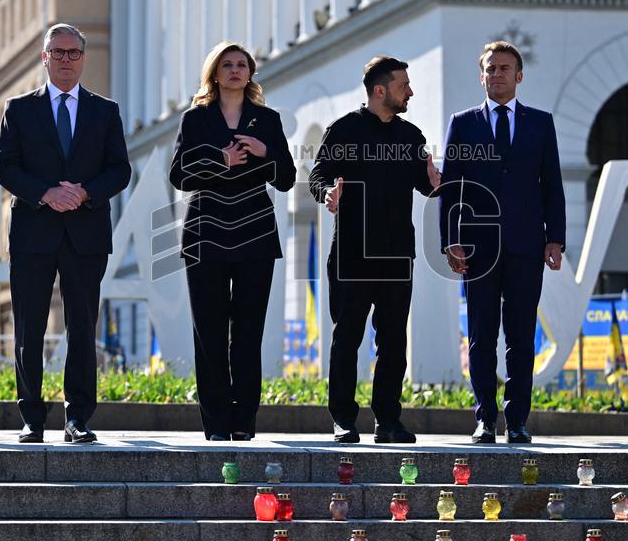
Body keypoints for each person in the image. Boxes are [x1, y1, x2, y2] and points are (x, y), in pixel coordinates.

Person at [0, 23, 131, 443]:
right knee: (29, 329)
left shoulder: (105, 111)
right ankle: (31, 418)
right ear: (45, 57)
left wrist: (84, 193)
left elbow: (120, 170)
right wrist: (47, 193)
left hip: (86, 235)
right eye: (58, 52)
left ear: (83, 58)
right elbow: (5, 167)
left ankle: (78, 419)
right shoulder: (19, 109)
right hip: (33, 233)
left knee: (81, 328)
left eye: (73, 52)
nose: (66, 59)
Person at [309, 56, 441, 444]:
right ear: (380, 90)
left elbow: (427, 184)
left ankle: (388, 421)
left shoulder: (412, 137)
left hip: (398, 254)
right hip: (351, 253)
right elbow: (318, 173)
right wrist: (327, 192)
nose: (411, 92)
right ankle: (343, 421)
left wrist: (438, 183)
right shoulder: (344, 129)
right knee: (347, 338)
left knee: (393, 342)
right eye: (404, 85)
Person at [439, 41, 565, 444]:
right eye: (490, 68)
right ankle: (484, 419)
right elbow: (450, 187)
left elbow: (553, 185)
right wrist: (450, 240)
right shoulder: (463, 123)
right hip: (478, 248)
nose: (497, 74)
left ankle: (518, 420)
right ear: (481, 76)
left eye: (505, 68)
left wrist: (555, 238)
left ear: (519, 75)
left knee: (521, 336)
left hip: (527, 244)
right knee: (481, 336)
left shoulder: (541, 123)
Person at [169, 41, 296, 441]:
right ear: (215, 72)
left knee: (247, 333)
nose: (236, 71)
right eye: (228, 64)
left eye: (242, 65)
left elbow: (288, 177)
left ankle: (244, 422)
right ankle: (216, 424)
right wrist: (218, 160)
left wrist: (264, 152)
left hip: (254, 235)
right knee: (208, 333)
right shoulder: (194, 120)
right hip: (205, 235)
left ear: (251, 73)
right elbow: (179, 175)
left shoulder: (267, 119)